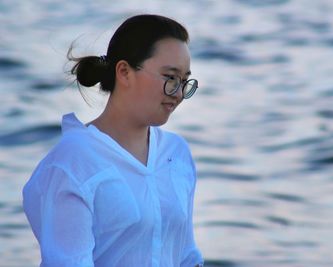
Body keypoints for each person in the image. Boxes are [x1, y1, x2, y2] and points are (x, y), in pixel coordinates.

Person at [22, 14, 204, 267]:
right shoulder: (74, 162)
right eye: (170, 77)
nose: (179, 93)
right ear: (124, 72)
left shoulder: (176, 153)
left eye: (184, 81)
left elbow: (186, 255)